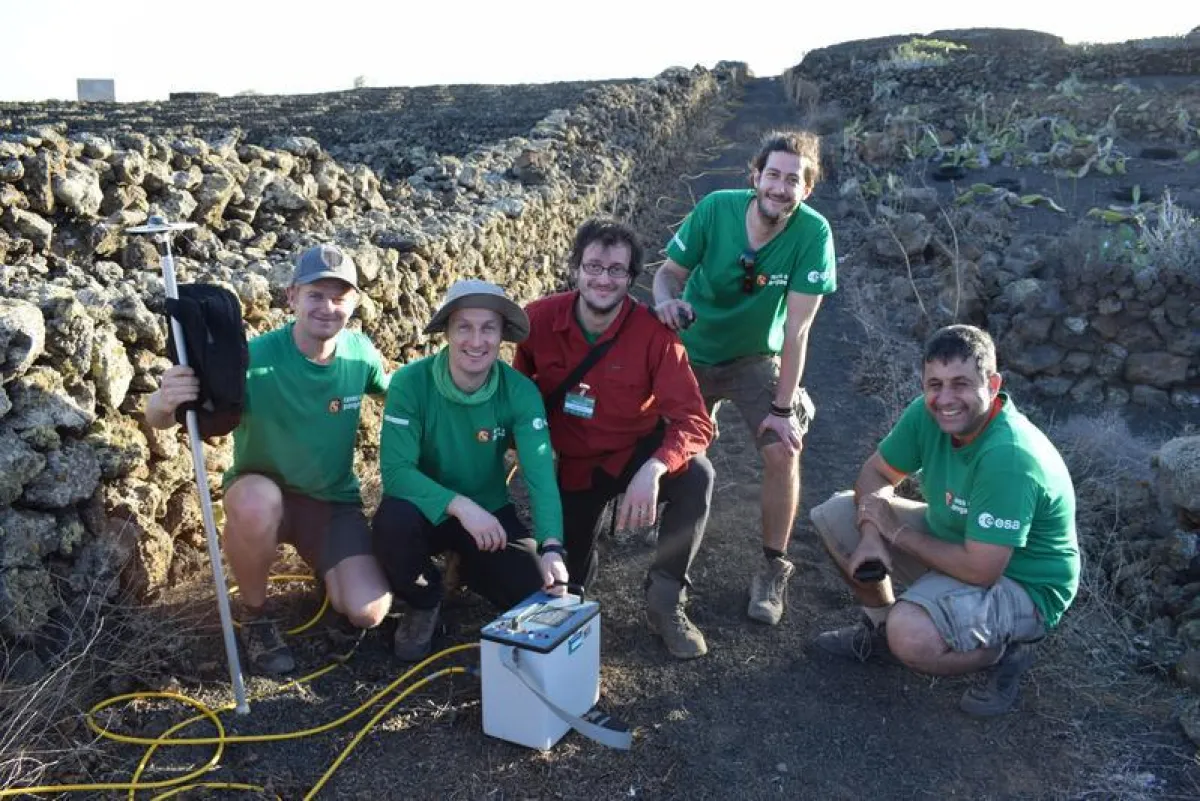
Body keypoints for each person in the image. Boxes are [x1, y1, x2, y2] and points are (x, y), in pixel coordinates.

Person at [145, 244, 393, 675]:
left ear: (354, 302)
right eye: (316, 295)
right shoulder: (251, 358)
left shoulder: (361, 353)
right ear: (291, 297)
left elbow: (401, 395)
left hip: (333, 503)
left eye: (340, 297)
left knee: (368, 612)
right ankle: (255, 616)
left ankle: (329, 575)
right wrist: (166, 400)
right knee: (255, 501)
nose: (328, 307)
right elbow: (161, 420)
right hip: (264, 494)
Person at [810, 324, 1079, 717]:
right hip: (958, 538)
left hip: (1023, 581)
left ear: (993, 382)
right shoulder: (926, 413)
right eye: (934, 384)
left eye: (961, 384)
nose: (945, 398)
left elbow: (982, 569)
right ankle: (880, 629)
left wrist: (896, 531)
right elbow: (876, 474)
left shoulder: (1010, 457)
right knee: (837, 515)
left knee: (912, 635)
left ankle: (1001, 653)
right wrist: (871, 536)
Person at [652, 129, 836, 625]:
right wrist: (666, 301)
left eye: (792, 180)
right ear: (756, 175)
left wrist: (782, 408)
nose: (779, 187)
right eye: (772, 174)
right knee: (682, 453)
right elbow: (669, 272)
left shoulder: (812, 234)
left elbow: (798, 330)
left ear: (806, 189)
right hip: (693, 348)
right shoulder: (715, 209)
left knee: (783, 448)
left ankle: (773, 567)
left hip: (756, 356)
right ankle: (670, 550)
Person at [515, 219, 715, 659]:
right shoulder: (537, 321)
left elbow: (695, 420)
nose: (603, 279)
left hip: (636, 451)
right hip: (578, 465)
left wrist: (656, 467)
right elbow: (510, 393)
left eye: (616, 270)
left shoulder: (654, 333)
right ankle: (577, 591)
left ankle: (665, 602)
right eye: (594, 266)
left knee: (697, 476)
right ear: (575, 269)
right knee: (565, 587)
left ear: (631, 277)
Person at [372, 279, 569, 661]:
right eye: (464, 326)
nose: (476, 340)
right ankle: (424, 599)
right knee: (390, 524)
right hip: (425, 511)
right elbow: (396, 472)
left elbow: (541, 474)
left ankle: (468, 566)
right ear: (447, 331)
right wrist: (460, 505)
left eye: (488, 328)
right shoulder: (411, 383)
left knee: (535, 589)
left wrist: (551, 546)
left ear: (502, 335)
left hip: (490, 515)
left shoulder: (520, 391)